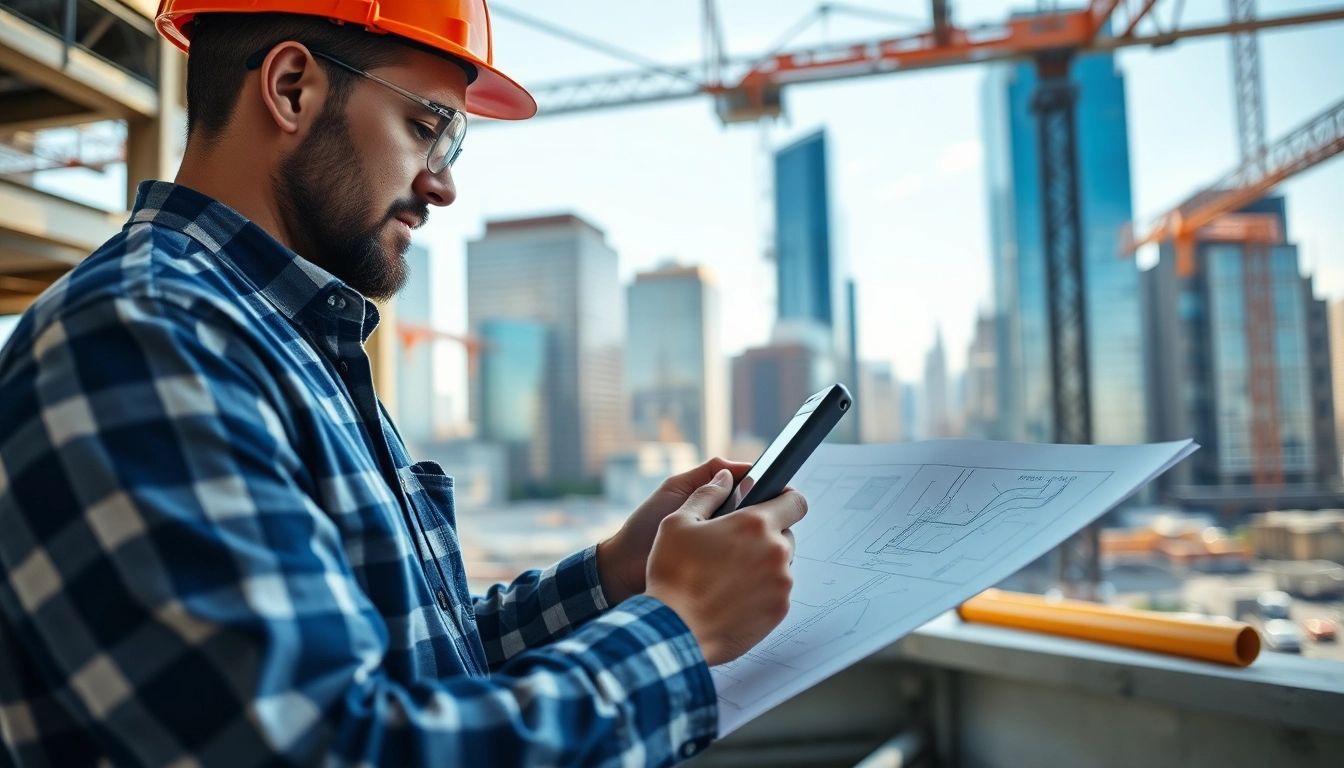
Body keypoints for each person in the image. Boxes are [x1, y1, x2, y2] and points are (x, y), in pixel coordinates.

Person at [0, 2, 806, 766]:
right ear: (291, 88)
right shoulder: (142, 340)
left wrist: (615, 576)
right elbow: (329, 749)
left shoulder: (285, 341)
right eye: (426, 127)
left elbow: (410, 664)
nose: (443, 183)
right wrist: (678, 627)